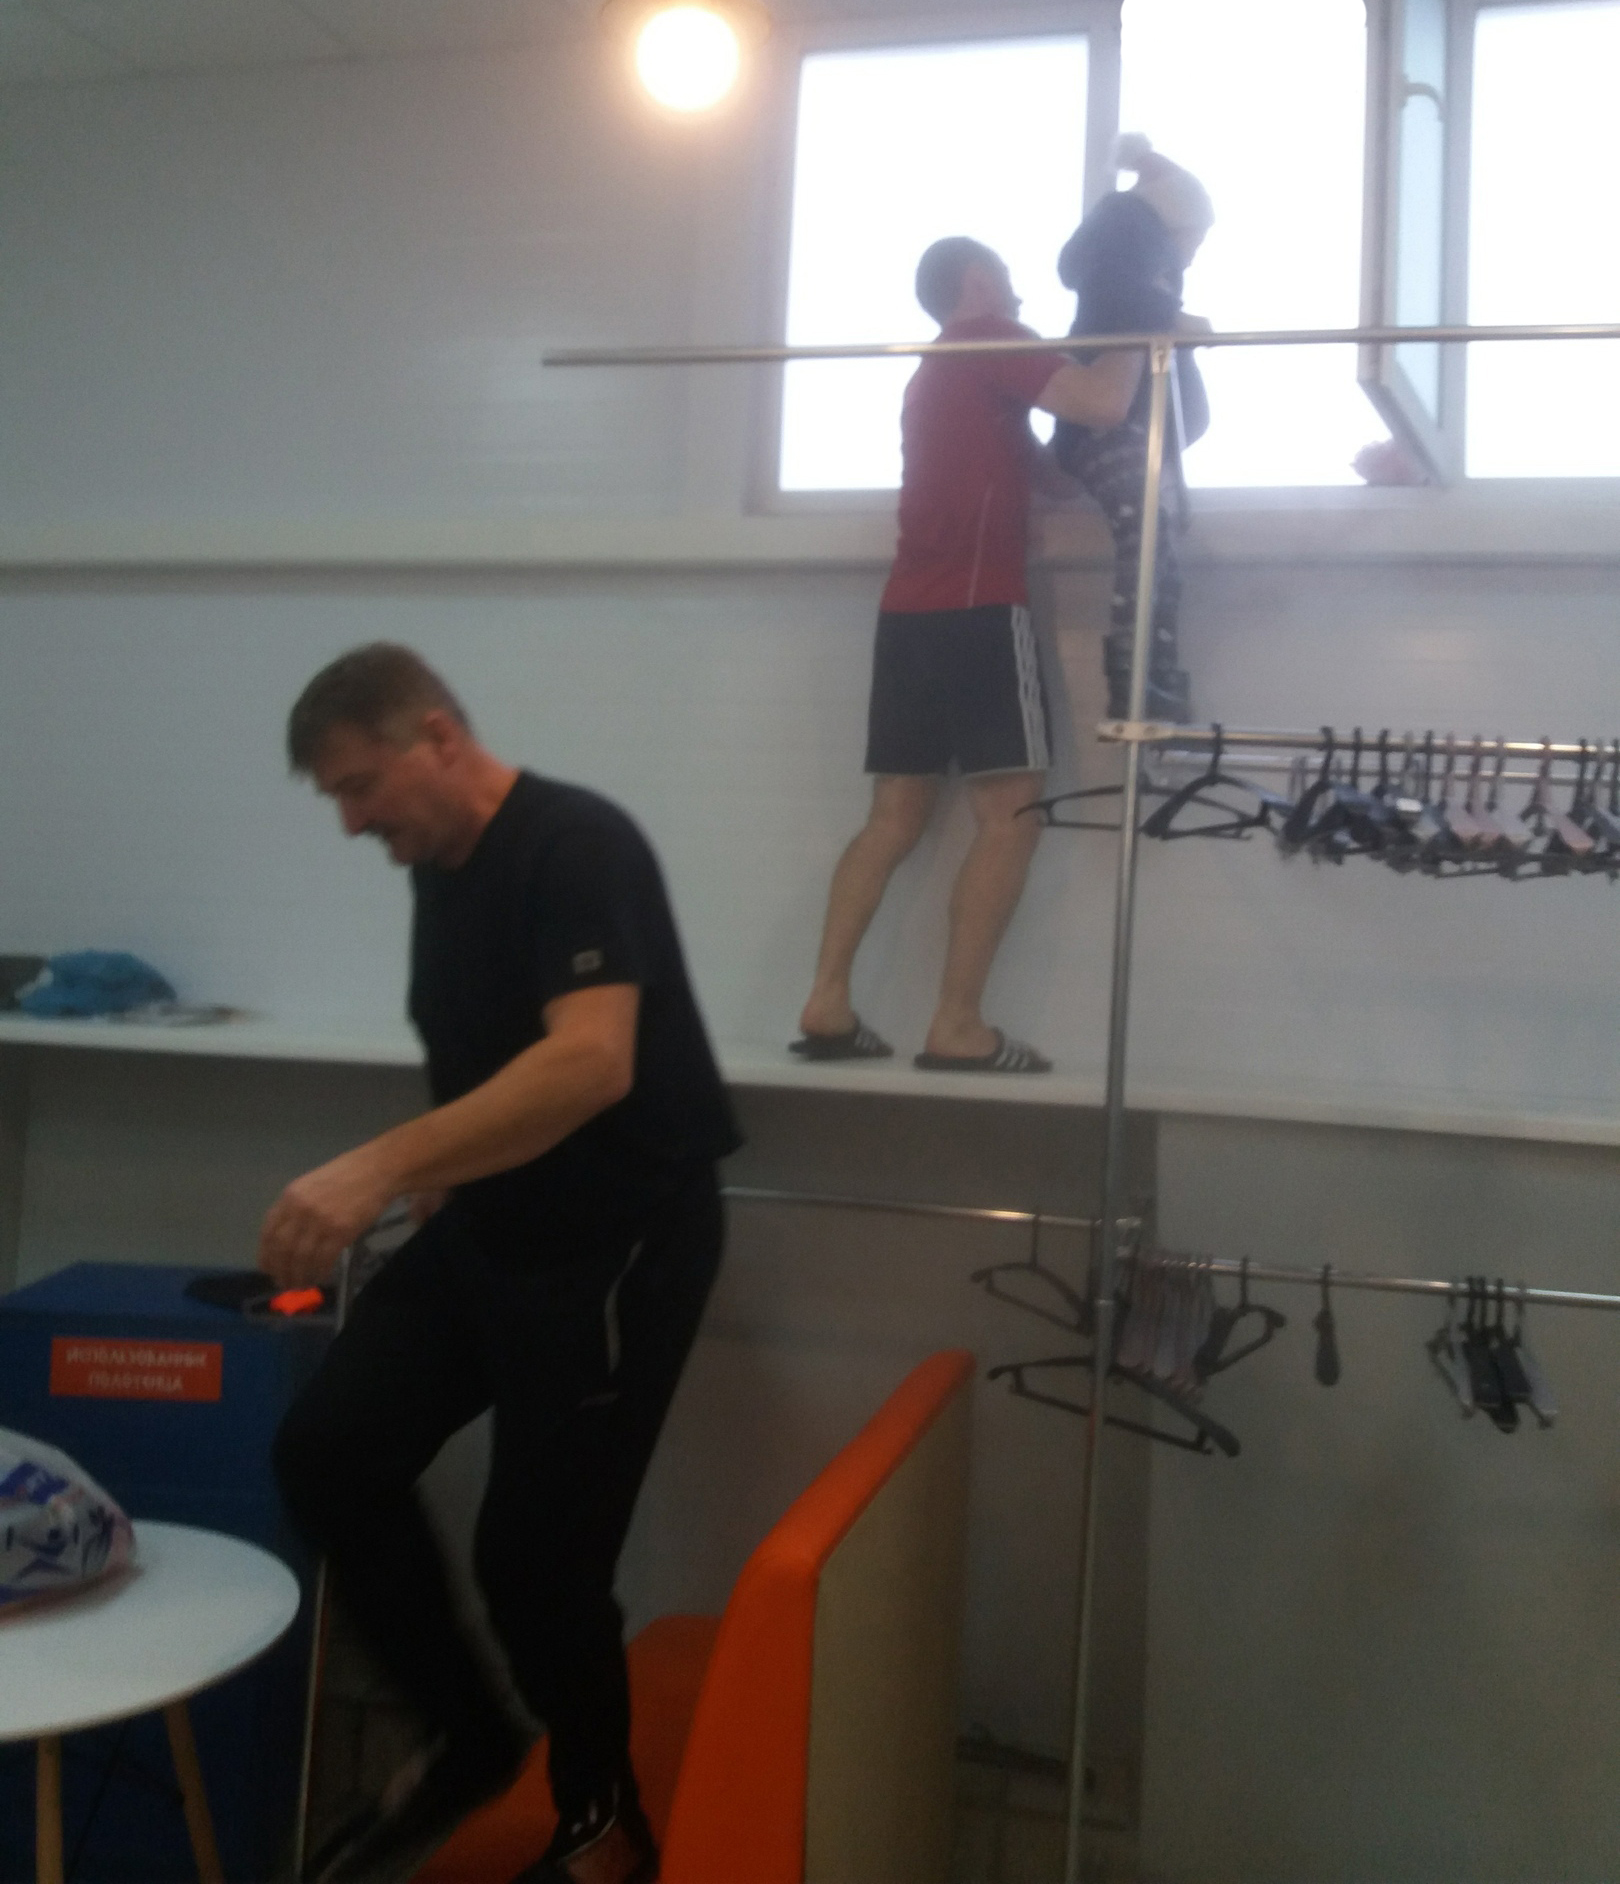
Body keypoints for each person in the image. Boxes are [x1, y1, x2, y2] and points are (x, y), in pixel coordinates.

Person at [260, 644, 740, 1884]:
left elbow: (590, 1061)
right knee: (327, 1451)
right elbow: (489, 1048)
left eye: (360, 787)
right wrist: (445, 1163)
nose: (352, 823)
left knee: (535, 1567)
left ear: (436, 736)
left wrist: (376, 1165)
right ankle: (471, 1739)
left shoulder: (577, 845)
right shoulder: (438, 862)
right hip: (494, 1228)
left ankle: (602, 1830)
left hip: (617, 1246)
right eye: (337, 799)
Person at [792, 236, 1142, 1074]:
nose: (1021, 299)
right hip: (979, 610)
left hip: (908, 614)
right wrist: (1144, 326)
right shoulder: (989, 338)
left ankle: (827, 1004)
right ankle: (957, 1025)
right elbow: (1103, 404)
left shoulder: (937, 378)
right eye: (1010, 282)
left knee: (892, 820)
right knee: (1012, 816)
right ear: (978, 281)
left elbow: (1053, 479)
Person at [1054, 132, 1215, 723]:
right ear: (1171, 229)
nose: (1193, 256)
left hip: (1137, 425)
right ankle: (1132, 672)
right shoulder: (1128, 253)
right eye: (1193, 240)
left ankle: (1155, 669)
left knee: (1158, 540)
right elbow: (1120, 296)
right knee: (1146, 530)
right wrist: (1177, 319)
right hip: (1110, 427)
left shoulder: (1139, 271)